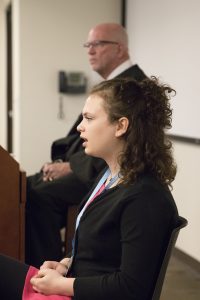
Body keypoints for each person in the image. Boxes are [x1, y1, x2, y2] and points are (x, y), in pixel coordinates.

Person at [0, 76, 179, 300]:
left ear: (121, 126)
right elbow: (97, 252)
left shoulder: (145, 197)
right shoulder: (108, 177)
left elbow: (132, 288)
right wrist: (65, 265)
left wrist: (62, 285)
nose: (79, 127)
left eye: (89, 118)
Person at [25, 22, 147, 268]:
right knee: (23, 185)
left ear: (120, 49)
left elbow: (124, 145)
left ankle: (45, 270)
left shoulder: (134, 86)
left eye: (98, 44)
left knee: (37, 196)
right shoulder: (113, 83)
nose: (90, 50)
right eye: (88, 45)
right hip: (89, 164)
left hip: (103, 171)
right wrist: (62, 162)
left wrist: (70, 166)